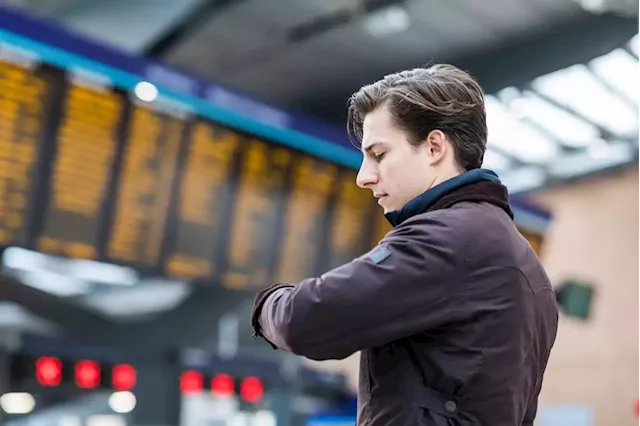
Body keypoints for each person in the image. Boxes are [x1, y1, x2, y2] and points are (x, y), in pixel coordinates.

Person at [250, 64, 558, 426]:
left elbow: (302, 321)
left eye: (379, 154)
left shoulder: (446, 239)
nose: (364, 177)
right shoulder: (523, 261)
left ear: (433, 147)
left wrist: (266, 303)